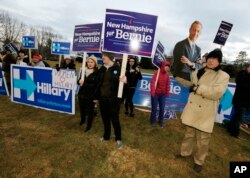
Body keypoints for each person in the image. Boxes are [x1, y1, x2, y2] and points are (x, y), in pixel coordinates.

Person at [175, 49, 229, 173]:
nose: (211, 60)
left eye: (215, 59)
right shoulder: (199, 71)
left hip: (206, 113)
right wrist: (177, 76)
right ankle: (184, 153)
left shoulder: (223, 75)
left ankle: (199, 161)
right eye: (210, 58)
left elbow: (217, 92)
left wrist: (197, 88)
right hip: (193, 109)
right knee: (188, 135)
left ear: (219, 61)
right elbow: (191, 83)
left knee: (203, 140)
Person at [97, 51, 126, 149]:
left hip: (113, 100)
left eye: (104, 56)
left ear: (109, 57)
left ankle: (118, 139)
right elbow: (97, 84)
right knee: (105, 119)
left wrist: (125, 81)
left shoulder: (118, 69)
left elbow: (125, 86)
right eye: (102, 56)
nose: (102, 57)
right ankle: (106, 136)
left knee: (115, 119)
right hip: (103, 99)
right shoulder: (101, 69)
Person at [227, 64, 250, 138]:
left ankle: (230, 128)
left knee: (236, 116)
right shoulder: (242, 75)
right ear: (248, 67)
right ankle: (234, 133)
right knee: (238, 117)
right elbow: (245, 86)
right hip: (240, 100)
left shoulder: (243, 75)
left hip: (242, 100)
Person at [77, 56, 99, 132]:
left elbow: (97, 86)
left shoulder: (97, 73)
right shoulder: (83, 70)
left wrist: (96, 98)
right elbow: (78, 81)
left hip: (91, 95)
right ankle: (83, 120)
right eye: (88, 62)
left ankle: (89, 125)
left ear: (95, 63)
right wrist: (79, 81)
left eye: (92, 62)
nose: (89, 64)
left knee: (90, 111)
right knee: (82, 109)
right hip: (81, 94)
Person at [150, 60, 170, 127]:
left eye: (168, 66)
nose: (167, 67)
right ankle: (152, 121)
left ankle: (161, 121)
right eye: (166, 66)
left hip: (162, 95)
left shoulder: (167, 75)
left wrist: (167, 92)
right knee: (154, 109)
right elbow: (152, 83)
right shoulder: (157, 73)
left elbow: (168, 84)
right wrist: (152, 92)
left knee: (162, 108)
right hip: (155, 94)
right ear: (163, 66)